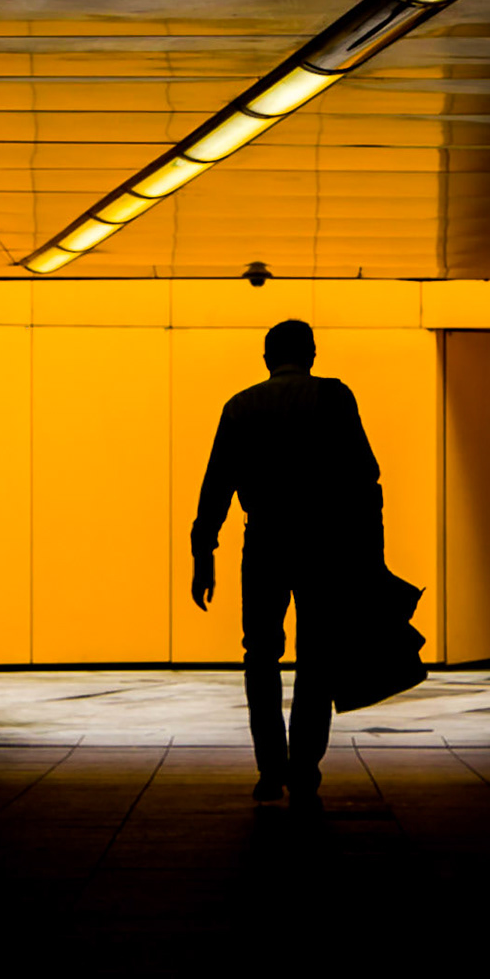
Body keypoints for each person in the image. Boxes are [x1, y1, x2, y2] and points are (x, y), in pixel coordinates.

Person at [190, 319, 382, 809]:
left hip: (265, 542)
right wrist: (370, 555)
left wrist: (203, 553)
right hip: (324, 542)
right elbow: (365, 478)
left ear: (266, 358)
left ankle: (269, 768)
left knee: (260, 655)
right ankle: (304, 769)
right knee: (317, 657)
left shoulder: (240, 406)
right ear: (312, 354)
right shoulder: (335, 398)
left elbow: (217, 487)